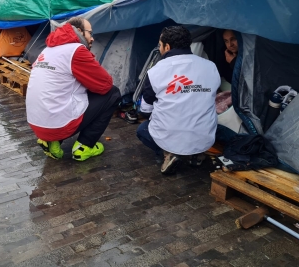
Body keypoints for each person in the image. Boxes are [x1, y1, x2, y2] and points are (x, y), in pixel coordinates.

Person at [26, 17, 121, 161]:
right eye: (90, 33)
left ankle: (51, 141)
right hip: (58, 125)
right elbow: (105, 84)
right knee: (112, 93)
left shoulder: (48, 50)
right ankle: (84, 147)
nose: (93, 38)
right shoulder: (75, 50)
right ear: (79, 31)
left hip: (37, 123)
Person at [136, 26, 221, 174]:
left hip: (170, 136)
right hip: (204, 136)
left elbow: (145, 108)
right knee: (210, 126)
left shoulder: (156, 70)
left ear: (167, 46)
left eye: (160, 45)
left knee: (142, 129)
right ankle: (195, 155)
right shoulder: (211, 66)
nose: (160, 48)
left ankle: (170, 154)